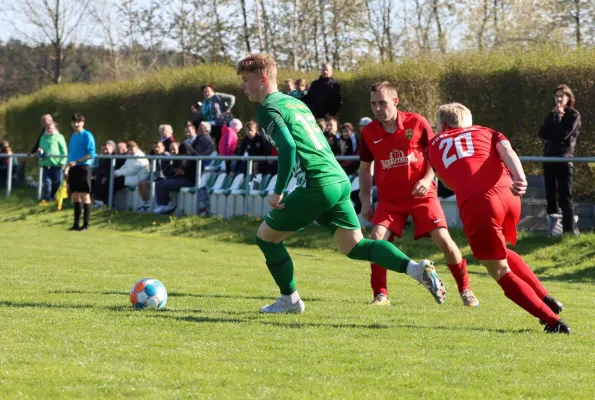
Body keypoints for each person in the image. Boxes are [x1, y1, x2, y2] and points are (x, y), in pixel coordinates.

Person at [237, 53, 445, 314]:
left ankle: (289, 301)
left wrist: (278, 191)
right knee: (355, 246)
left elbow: (288, 147)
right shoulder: (295, 104)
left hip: (317, 183)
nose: (243, 86)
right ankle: (417, 269)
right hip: (337, 179)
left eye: (246, 80)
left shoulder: (268, 108)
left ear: (263, 79)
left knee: (266, 238)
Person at [428, 102, 570, 334]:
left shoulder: (434, 143)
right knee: (500, 250)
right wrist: (520, 177)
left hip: (480, 202)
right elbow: (507, 151)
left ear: (443, 124)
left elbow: (445, 180)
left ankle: (552, 321)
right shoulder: (486, 131)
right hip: (509, 192)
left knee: (498, 269)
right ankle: (545, 297)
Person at [359, 82, 477, 307]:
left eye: (382, 102)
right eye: (373, 104)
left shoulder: (417, 122)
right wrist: (366, 200)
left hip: (422, 196)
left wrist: (426, 178)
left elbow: (434, 153)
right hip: (390, 201)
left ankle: (466, 290)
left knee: (444, 240)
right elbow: (365, 168)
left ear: (395, 101)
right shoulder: (369, 132)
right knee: (376, 240)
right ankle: (381, 294)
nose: (377, 108)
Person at [538, 84, 581, 236]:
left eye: (562, 96)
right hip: (549, 159)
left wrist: (557, 117)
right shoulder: (553, 113)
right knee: (551, 194)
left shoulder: (573, 115)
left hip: (563, 159)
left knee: (565, 196)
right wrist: (554, 116)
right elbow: (543, 133)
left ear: (569, 98)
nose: (559, 99)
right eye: (557, 96)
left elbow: (562, 135)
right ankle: (553, 231)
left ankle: (569, 231)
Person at [64, 113, 96, 232]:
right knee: (75, 195)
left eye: (79, 122)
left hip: (83, 168)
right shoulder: (73, 136)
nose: (76, 124)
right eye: (74, 122)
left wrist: (77, 161)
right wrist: (67, 167)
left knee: (84, 195)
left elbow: (90, 154)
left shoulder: (87, 135)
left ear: (83, 122)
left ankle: (85, 225)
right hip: (73, 168)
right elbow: (71, 154)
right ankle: (76, 225)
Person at [153, 142, 196, 214]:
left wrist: (183, 173)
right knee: (158, 184)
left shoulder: (195, 159)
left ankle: (167, 205)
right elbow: (175, 171)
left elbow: (193, 175)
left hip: (189, 180)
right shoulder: (179, 158)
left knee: (165, 185)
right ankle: (161, 205)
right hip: (180, 178)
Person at [137, 141, 173, 212]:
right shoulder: (154, 157)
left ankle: (157, 205)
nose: (156, 149)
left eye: (158, 147)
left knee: (148, 184)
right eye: (155, 147)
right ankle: (146, 204)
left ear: (163, 147)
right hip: (157, 178)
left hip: (166, 178)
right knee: (141, 183)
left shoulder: (166, 156)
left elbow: (168, 171)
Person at [38, 121, 68, 203]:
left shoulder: (59, 137)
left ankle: (57, 198)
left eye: (50, 128)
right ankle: (46, 199)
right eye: (47, 128)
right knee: (47, 183)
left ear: (54, 128)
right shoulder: (43, 138)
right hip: (46, 164)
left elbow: (64, 150)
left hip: (56, 164)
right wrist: (40, 152)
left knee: (56, 182)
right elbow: (41, 149)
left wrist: (62, 162)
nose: (49, 130)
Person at [92, 141, 116, 209]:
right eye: (104, 148)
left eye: (107, 148)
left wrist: (106, 176)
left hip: (110, 175)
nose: (105, 149)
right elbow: (98, 168)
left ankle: (104, 203)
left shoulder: (114, 156)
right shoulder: (102, 156)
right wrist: (95, 174)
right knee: (94, 180)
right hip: (101, 175)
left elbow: (111, 168)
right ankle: (97, 201)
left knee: (103, 182)